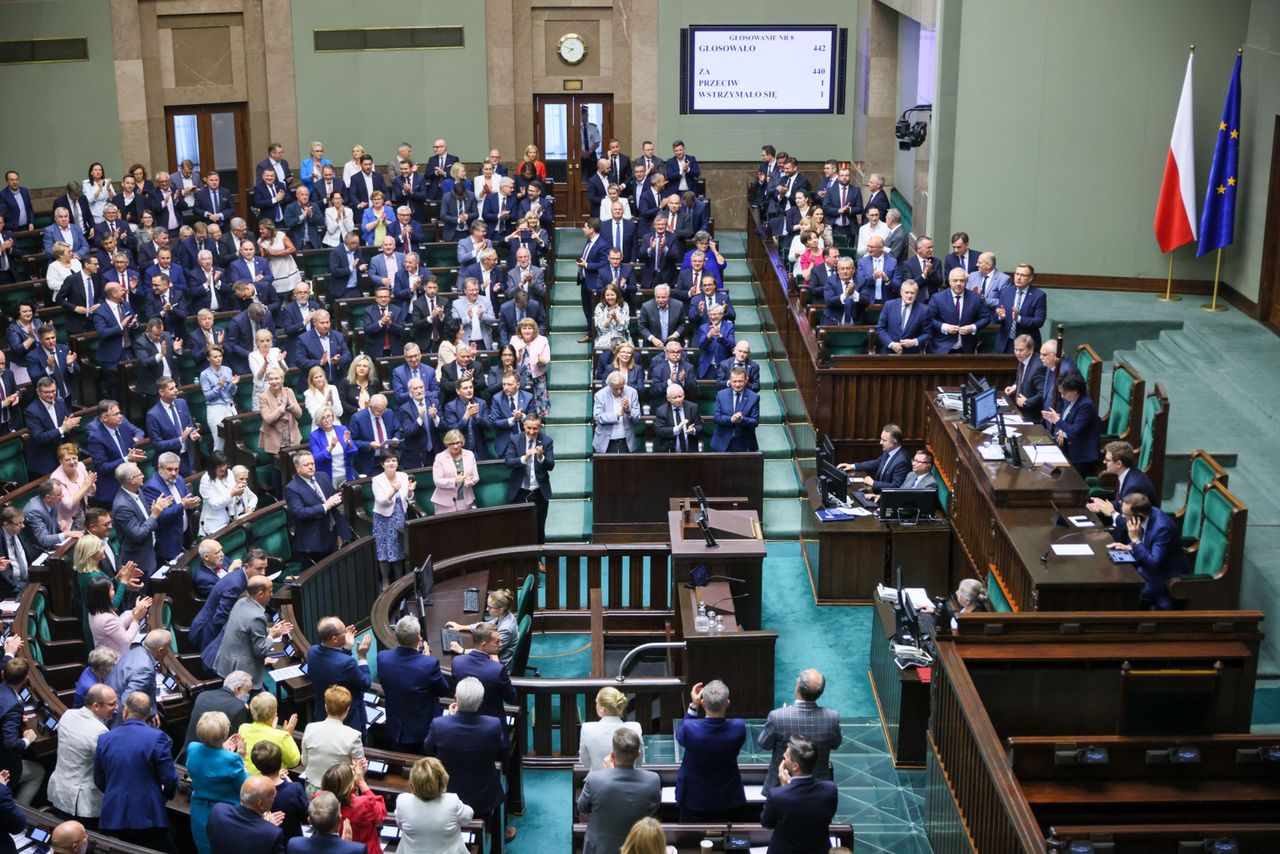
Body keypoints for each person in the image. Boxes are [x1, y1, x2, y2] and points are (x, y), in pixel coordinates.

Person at [422, 678, 510, 844]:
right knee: (483, 835)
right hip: (483, 794)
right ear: (481, 701)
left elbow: (428, 749)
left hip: (447, 793)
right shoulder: (493, 725)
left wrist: (450, 718)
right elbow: (498, 750)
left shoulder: (440, 724)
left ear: (455, 698)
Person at [93, 691, 178, 851]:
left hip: (113, 814)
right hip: (148, 815)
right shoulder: (157, 738)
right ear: (148, 714)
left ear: (125, 710)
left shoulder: (105, 738)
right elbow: (170, 779)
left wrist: (115, 792)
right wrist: (164, 796)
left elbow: (99, 778)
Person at [577, 728, 662, 854]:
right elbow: (655, 808)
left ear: (612, 755)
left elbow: (582, 807)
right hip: (638, 847)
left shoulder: (596, 779)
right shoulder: (653, 780)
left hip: (601, 848)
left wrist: (607, 773)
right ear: (638, 753)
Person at [757, 669, 842, 794]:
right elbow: (836, 744)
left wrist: (782, 715)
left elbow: (764, 744)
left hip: (781, 786)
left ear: (797, 688)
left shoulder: (777, 717)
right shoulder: (832, 718)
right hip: (818, 786)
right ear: (820, 693)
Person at [374, 617, 450, 754]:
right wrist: (426, 658)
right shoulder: (429, 664)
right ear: (418, 639)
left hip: (396, 726)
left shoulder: (382, 658)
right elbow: (444, 691)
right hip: (422, 730)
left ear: (396, 636)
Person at [676, 680, 745, 821]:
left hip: (693, 801)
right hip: (728, 800)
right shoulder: (739, 728)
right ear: (727, 703)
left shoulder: (690, 729)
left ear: (702, 703)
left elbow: (680, 735)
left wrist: (693, 706)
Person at [48, 683, 116, 824]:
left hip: (60, 790)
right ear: (96, 706)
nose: (117, 708)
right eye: (112, 704)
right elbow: (109, 766)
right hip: (80, 802)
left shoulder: (68, 714)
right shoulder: (100, 732)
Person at [1107, 493, 1189, 611]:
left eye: (1126, 515)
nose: (1123, 518)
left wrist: (1135, 541)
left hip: (1163, 579)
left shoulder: (1162, 528)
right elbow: (1147, 541)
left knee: (1124, 592)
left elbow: (1154, 562)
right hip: (1145, 569)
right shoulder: (1148, 513)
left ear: (1138, 516)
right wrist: (1129, 547)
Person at [760, 734, 839, 854]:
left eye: (786, 757)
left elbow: (767, 823)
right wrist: (787, 790)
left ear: (795, 766)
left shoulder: (777, 795)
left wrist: (784, 789)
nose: (783, 758)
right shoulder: (830, 790)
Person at [213, 576, 292, 689]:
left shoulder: (241, 602)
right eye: (270, 591)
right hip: (241, 673)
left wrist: (272, 630)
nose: (272, 594)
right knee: (260, 702)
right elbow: (260, 651)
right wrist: (271, 636)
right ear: (260, 594)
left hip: (226, 662)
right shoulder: (257, 616)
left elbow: (247, 630)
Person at [186, 711, 248, 854]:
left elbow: (209, 758)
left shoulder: (192, 748)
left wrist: (221, 748)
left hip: (199, 812)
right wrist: (241, 756)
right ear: (224, 735)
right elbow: (244, 788)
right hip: (225, 815)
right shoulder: (232, 759)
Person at [187, 551, 269, 651]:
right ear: (247, 567)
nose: (263, 573)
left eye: (265, 568)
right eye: (259, 569)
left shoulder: (245, 578)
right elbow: (221, 618)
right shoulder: (235, 585)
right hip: (210, 633)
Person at [285, 451, 352, 567]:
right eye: (306, 465)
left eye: (312, 463)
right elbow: (300, 512)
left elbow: (332, 497)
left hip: (333, 531)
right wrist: (325, 506)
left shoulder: (323, 476)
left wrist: (339, 498)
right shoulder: (292, 488)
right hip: (314, 539)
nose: (311, 467)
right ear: (297, 468)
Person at [394, 757, 473, 854]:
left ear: (412, 782)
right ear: (442, 780)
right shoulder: (452, 801)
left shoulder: (403, 801)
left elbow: (400, 825)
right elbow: (467, 818)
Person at [308, 617, 373, 733]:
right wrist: (362, 657)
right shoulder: (347, 663)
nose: (347, 633)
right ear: (334, 639)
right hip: (347, 721)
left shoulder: (312, 651)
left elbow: (335, 665)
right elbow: (365, 684)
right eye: (344, 631)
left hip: (323, 714)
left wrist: (346, 649)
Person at [300, 686, 365, 795]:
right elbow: (359, 773)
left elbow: (305, 762)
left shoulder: (310, 728)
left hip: (312, 791)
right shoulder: (354, 736)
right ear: (347, 710)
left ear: (325, 707)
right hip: (340, 793)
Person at [1088, 441, 1160, 535]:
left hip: (1134, 537)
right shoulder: (1127, 475)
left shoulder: (1134, 486)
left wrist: (1111, 512)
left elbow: (1131, 524)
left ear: (1118, 464)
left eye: (1107, 460)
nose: (1104, 462)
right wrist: (1102, 507)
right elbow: (1122, 503)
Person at [180, 672, 253, 763]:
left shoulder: (203, 695)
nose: (249, 695)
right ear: (238, 689)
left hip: (187, 756)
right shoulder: (239, 707)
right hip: (212, 763)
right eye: (248, 691)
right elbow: (235, 742)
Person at [503, 416, 555, 544]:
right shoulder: (515, 440)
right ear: (523, 426)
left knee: (539, 526)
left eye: (535, 428)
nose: (532, 432)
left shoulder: (547, 441)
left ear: (540, 427)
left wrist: (541, 457)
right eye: (529, 428)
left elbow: (551, 465)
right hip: (519, 491)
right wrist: (524, 458)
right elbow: (508, 462)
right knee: (517, 526)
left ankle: (538, 559)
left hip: (539, 492)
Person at [449, 623, 517, 718]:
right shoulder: (497, 669)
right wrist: (497, 664)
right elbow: (512, 699)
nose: (501, 644)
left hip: (464, 717)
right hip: (491, 722)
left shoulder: (457, 661)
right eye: (497, 642)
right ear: (484, 645)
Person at [205, 776, 286, 854]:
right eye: (274, 796)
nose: (274, 798)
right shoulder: (272, 834)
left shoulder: (218, 811)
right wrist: (267, 827)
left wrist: (264, 826)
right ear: (261, 804)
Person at [104, 628, 170, 724]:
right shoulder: (145, 669)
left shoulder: (137, 651)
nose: (169, 651)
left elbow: (149, 691)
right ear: (161, 650)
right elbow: (127, 701)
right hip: (120, 721)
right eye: (169, 647)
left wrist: (152, 712)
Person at [320, 761, 387, 854]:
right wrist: (361, 781)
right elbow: (381, 812)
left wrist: (347, 774)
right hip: (365, 849)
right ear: (350, 785)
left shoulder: (319, 801)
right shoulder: (362, 804)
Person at [0, 658, 42, 804]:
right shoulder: (13, 706)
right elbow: (11, 744)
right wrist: (27, 740)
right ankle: (20, 811)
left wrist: (14, 720)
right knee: (38, 771)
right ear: (25, 679)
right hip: (4, 768)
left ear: (2, 673)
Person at [1042, 373, 1101, 475]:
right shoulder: (1071, 399)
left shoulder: (1085, 405)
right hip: (1068, 448)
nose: (1062, 396)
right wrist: (1061, 428)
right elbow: (1067, 420)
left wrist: (1057, 421)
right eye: (1061, 392)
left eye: (1064, 393)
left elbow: (1075, 431)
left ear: (1075, 390)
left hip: (1081, 456)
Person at [252, 741, 309, 844]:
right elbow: (306, 817)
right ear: (280, 761)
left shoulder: (252, 789)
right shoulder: (295, 789)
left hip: (266, 842)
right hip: (292, 842)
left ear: (257, 765)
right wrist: (291, 784)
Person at [371, 453, 414, 587]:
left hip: (399, 516)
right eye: (388, 461)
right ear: (382, 464)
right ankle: (385, 580)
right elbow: (382, 501)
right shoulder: (377, 480)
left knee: (398, 548)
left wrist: (410, 491)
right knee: (383, 550)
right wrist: (394, 489)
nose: (391, 463)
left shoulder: (403, 476)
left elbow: (408, 498)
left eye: (394, 460)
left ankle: (400, 580)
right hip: (383, 519)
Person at [446, 589, 518, 668]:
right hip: (493, 655)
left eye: (490, 607)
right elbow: (485, 624)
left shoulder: (506, 629)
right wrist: (461, 627)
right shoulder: (503, 615)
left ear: (500, 610)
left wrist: (462, 650)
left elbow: (487, 651)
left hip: (500, 663)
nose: (487, 609)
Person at [579, 686, 645, 770]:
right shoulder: (635, 727)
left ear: (601, 708)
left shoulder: (587, 728)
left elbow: (585, 762)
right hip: (629, 780)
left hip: (598, 781)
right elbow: (639, 762)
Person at [929, 267, 992, 354]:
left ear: (966, 281)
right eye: (955, 280)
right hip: (942, 347)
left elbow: (986, 318)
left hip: (967, 348)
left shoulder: (976, 298)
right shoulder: (938, 298)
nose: (958, 283)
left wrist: (972, 327)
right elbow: (929, 319)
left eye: (962, 280)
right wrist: (945, 327)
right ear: (950, 281)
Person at [86, 576, 152, 657]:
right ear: (104, 595)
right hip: (115, 661)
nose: (114, 593)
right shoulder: (106, 619)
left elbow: (118, 624)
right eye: (112, 590)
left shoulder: (95, 610)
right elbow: (126, 640)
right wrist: (136, 619)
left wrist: (135, 611)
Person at [238, 692, 300, 775]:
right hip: (272, 783)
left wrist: (273, 730)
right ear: (274, 712)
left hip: (248, 780)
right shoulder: (281, 736)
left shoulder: (243, 728)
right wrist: (288, 734)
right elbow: (293, 762)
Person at [839, 424, 910, 493]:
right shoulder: (889, 451)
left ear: (894, 441)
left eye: (884, 440)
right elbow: (876, 463)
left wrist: (873, 483)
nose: (880, 442)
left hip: (886, 500)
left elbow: (896, 487)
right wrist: (852, 466)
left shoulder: (902, 461)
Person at [288, 791, 364, 854]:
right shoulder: (357, 850)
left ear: (309, 821)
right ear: (340, 819)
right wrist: (346, 848)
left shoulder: (294, 844)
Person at [995, 263, 1048, 352]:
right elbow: (996, 317)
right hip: (1006, 343)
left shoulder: (1039, 295)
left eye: (1023, 275)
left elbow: (1039, 321)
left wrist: (1018, 318)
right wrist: (1000, 316)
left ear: (1030, 278)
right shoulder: (1006, 292)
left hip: (1027, 345)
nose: (1018, 278)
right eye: (1017, 274)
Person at [710, 368, 760, 452]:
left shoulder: (754, 397)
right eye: (734, 381)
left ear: (746, 380)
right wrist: (731, 419)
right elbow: (716, 418)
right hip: (722, 443)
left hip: (744, 443)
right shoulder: (721, 395)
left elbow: (755, 421)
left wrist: (742, 419)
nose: (737, 384)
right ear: (730, 380)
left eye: (740, 381)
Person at [593, 371, 642, 454]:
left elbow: (637, 418)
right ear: (610, 386)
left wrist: (628, 411)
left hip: (626, 442)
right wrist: (615, 415)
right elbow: (597, 417)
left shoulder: (632, 392)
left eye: (622, 387)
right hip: (605, 442)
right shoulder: (600, 395)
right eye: (616, 388)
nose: (619, 391)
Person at [431, 429, 479, 513]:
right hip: (444, 503)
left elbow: (476, 476)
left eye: (458, 443)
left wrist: (470, 481)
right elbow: (437, 481)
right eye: (452, 444)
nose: (455, 446)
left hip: (465, 500)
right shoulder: (440, 457)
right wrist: (454, 481)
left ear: (462, 442)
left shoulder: (470, 454)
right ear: (447, 444)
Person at [511, 318, 551, 416]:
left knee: (540, 401)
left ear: (534, 330)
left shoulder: (542, 340)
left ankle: (540, 420)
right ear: (520, 330)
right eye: (524, 328)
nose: (527, 331)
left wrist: (540, 360)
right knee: (522, 400)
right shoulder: (514, 339)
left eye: (530, 328)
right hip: (520, 375)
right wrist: (519, 355)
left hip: (538, 374)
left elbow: (547, 360)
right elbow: (510, 358)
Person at [1002, 334, 1047, 419]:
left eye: (1021, 350)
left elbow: (1043, 393)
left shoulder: (1038, 367)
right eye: (1016, 349)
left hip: (1031, 415)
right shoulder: (1023, 359)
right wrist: (1015, 387)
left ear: (1031, 349)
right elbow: (1023, 378)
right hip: (1019, 410)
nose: (1017, 353)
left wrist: (1027, 402)